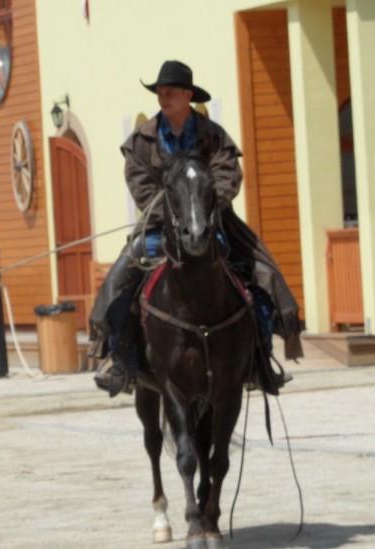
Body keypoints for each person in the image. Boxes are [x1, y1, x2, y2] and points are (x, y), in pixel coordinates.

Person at [90, 60, 303, 398]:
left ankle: (261, 357)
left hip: (212, 222)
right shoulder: (141, 141)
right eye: (160, 93)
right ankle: (120, 359)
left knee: (262, 276)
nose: (164, 98)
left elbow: (227, 176)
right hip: (159, 227)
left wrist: (200, 208)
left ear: (188, 95)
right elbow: (140, 185)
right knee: (117, 282)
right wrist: (176, 210)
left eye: (170, 92)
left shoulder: (213, 136)